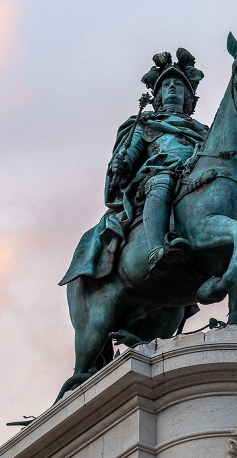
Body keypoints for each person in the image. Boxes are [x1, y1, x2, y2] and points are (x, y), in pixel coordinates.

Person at [60, 48, 208, 285]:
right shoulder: (144, 124)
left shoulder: (204, 131)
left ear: (187, 96)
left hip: (194, 175)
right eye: (166, 85)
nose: (172, 88)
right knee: (162, 181)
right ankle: (156, 250)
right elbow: (129, 157)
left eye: (178, 85)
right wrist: (123, 163)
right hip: (158, 175)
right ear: (157, 95)